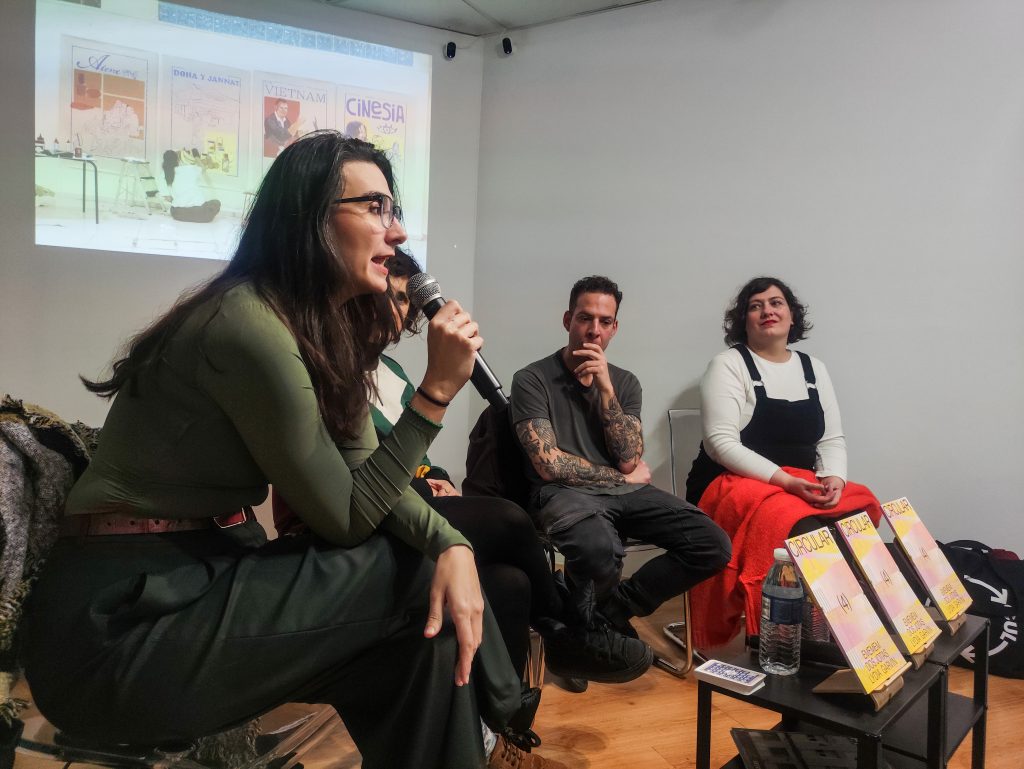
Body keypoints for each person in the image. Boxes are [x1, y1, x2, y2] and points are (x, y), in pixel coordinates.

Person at [22, 131, 559, 769]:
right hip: (118, 629)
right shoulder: (246, 326)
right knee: (414, 576)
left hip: (201, 573)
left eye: (394, 210)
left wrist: (452, 544)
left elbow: (370, 483)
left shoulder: (318, 333)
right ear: (309, 219)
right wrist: (435, 394)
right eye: (375, 208)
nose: (397, 233)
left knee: (425, 632)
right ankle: (504, 718)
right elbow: (346, 518)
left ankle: (496, 734)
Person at [273, 248, 654, 701]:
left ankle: (508, 716)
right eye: (387, 296)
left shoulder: (391, 372)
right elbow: (350, 471)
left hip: (406, 500)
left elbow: (414, 449)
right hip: (354, 517)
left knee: (511, 583)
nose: (397, 311)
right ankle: (567, 629)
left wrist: (438, 477)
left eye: (404, 300)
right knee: (508, 518)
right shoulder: (323, 370)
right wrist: (421, 483)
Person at [510, 275, 731, 648]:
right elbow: (550, 465)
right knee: (600, 550)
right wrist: (621, 479)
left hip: (624, 494)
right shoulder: (532, 379)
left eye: (604, 321)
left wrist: (605, 389)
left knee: (712, 544)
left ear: (614, 328)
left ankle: (606, 614)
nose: (593, 330)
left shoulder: (625, 383)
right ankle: (590, 635)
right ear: (568, 320)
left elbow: (629, 459)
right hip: (561, 494)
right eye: (585, 318)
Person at [686, 276, 881, 647]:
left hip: (796, 485)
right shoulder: (728, 365)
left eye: (776, 303)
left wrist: (834, 478)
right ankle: (795, 640)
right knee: (808, 528)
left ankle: (852, 635)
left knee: (853, 520)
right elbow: (720, 444)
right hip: (730, 483)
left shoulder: (814, 368)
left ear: (792, 316)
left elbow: (830, 438)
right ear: (744, 320)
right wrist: (785, 482)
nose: (767, 311)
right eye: (755, 306)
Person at [161, 149, 221, 223]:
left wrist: (179, 200)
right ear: (178, 160)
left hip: (177, 213)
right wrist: (197, 156)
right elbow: (203, 168)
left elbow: (167, 198)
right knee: (216, 202)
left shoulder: (164, 175)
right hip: (201, 213)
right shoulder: (189, 168)